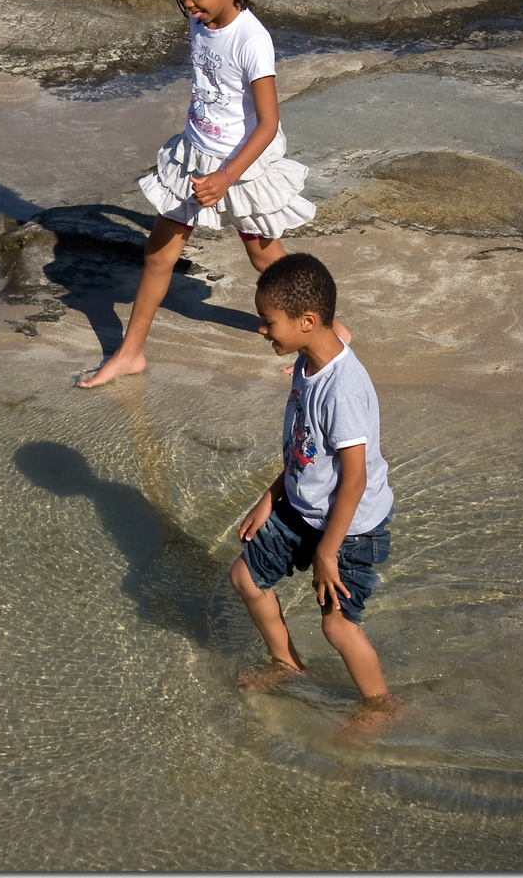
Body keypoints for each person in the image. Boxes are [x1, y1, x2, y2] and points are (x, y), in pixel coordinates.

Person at [79, 0, 347, 388]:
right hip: (194, 155)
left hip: (239, 169)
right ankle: (130, 353)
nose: (188, 5)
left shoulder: (252, 40)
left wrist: (226, 177)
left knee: (268, 263)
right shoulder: (201, 20)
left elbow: (267, 123)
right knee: (158, 254)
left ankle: (332, 339)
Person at [230, 253, 400, 724]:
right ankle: (287, 666)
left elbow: (355, 476)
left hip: (351, 525)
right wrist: (271, 497)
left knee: (338, 626)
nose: (263, 332)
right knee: (246, 578)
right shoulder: (307, 363)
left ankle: (382, 707)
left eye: (268, 323)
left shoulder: (342, 388)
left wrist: (327, 552)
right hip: (303, 503)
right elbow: (304, 450)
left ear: (306, 321)